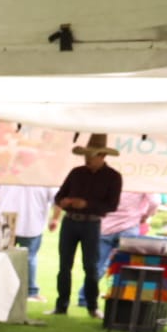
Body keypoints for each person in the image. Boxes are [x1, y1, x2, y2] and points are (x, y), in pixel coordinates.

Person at [53, 133, 123, 316]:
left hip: (91, 224)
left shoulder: (113, 177)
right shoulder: (76, 172)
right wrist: (64, 202)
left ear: (102, 156)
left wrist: (87, 205)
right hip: (70, 221)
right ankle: (61, 305)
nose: (87, 159)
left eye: (91, 156)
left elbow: (112, 205)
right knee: (64, 265)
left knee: (91, 266)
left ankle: (92, 306)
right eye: (86, 155)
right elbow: (59, 196)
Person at [0, 184, 60, 301]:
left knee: (3, 256)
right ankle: (31, 291)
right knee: (29, 257)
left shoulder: (5, 173)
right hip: (31, 221)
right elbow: (57, 199)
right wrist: (55, 218)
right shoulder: (45, 176)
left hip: (7, 220)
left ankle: (1, 287)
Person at [97, 189, 159, 284]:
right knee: (125, 267)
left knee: (97, 266)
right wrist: (146, 215)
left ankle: (85, 293)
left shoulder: (109, 180)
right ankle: (120, 292)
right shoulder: (142, 183)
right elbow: (154, 202)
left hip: (105, 227)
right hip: (129, 227)